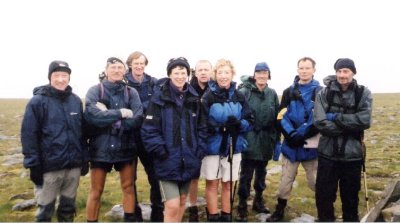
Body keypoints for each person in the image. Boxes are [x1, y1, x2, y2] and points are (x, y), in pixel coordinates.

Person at [141, 57, 208, 222]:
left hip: (189, 160)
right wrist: (160, 151)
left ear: (187, 74)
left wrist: (198, 151)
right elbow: (149, 130)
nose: (180, 76)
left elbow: (202, 128)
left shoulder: (194, 100)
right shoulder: (158, 99)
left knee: (182, 202)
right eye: (176, 72)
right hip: (166, 161)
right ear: (169, 74)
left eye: (183, 73)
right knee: (171, 205)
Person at [21, 60, 88, 222]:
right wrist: (33, 165)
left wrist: (85, 158)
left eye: (64, 75)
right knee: (45, 211)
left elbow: (82, 133)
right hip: (49, 168)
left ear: (69, 78)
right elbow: (29, 135)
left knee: (68, 209)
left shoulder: (75, 101)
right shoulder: (37, 102)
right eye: (56, 75)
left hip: (73, 167)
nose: (60, 79)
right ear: (50, 77)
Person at [84, 57, 143, 222]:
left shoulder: (131, 92)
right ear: (106, 70)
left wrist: (107, 117)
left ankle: (130, 219)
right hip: (100, 148)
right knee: (96, 191)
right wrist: (120, 113)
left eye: (120, 67)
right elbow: (92, 116)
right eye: (113, 67)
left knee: (128, 187)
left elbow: (137, 118)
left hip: (126, 148)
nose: (117, 70)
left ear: (125, 71)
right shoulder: (95, 91)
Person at [313, 58, 372, 222]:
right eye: (339, 71)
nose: (342, 75)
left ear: (353, 72)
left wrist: (336, 118)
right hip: (327, 154)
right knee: (323, 197)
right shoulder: (323, 93)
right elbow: (319, 121)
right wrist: (348, 126)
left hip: (352, 155)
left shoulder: (363, 93)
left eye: (345, 71)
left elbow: (365, 121)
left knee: (351, 199)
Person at [267, 57, 321, 222]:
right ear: (297, 70)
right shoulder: (288, 92)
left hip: (311, 143)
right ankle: (279, 211)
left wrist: (302, 134)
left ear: (314, 70)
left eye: (307, 68)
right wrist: (291, 134)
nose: (304, 71)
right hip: (290, 144)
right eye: (301, 68)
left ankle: (324, 211)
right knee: (286, 180)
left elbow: (319, 118)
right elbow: (281, 115)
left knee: (315, 180)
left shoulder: (320, 92)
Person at [200, 58, 254, 222]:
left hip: (234, 145)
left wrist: (238, 125)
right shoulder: (208, 97)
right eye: (220, 72)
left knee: (228, 183)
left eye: (227, 72)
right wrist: (220, 128)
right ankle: (213, 216)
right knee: (212, 183)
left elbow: (250, 120)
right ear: (215, 75)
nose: (224, 76)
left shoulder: (239, 96)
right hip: (213, 147)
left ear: (232, 74)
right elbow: (202, 122)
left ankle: (226, 215)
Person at [235, 62, 280, 221]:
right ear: (254, 75)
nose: (262, 75)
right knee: (246, 174)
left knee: (262, 172)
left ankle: (258, 201)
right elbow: (238, 115)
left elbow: (277, 118)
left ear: (269, 75)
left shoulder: (272, 94)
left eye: (265, 72)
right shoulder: (244, 92)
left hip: (266, 139)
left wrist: (276, 141)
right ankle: (241, 205)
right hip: (249, 138)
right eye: (259, 72)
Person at [124, 51, 163, 221]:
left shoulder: (153, 82)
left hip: (149, 136)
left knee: (155, 176)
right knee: (129, 179)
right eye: (135, 63)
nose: (139, 66)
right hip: (129, 137)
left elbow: (157, 105)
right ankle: (134, 212)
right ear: (130, 64)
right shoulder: (122, 82)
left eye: (142, 63)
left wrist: (137, 109)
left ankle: (157, 210)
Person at [187, 59, 213, 222]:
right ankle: (193, 207)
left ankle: (211, 208)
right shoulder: (188, 90)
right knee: (194, 176)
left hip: (214, 137)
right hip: (193, 138)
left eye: (206, 69)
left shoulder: (217, 89)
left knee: (212, 176)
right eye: (200, 70)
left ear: (211, 72)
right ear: (195, 72)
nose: (203, 72)